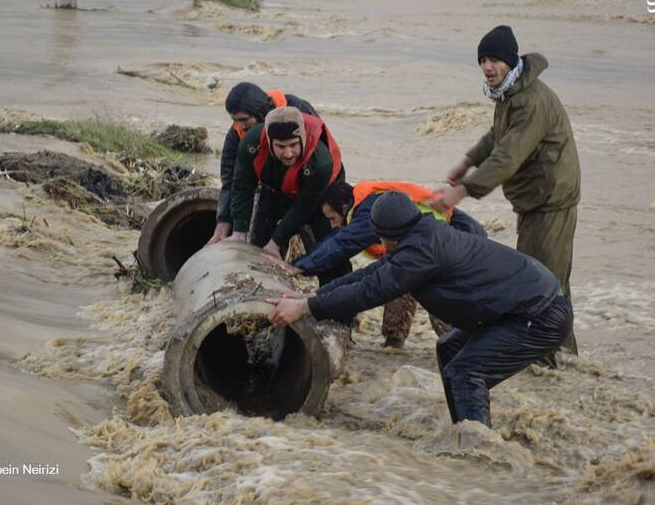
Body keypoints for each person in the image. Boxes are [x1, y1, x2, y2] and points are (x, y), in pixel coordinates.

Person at [267, 192, 573, 428]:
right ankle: (466, 428)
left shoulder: (421, 252)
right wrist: (312, 295)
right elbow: (369, 275)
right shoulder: (420, 236)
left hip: (539, 314)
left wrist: (306, 307)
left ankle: (478, 455)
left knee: (466, 372)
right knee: (449, 347)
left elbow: (370, 292)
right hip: (525, 305)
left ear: (386, 234)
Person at [432, 25, 581, 355]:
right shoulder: (511, 93)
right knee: (550, 283)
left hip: (551, 201)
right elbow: (496, 137)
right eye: (482, 60)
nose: (487, 67)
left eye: (495, 59)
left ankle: (550, 361)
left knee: (542, 287)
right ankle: (562, 360)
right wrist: (467, 161)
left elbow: (508, 156)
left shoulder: (530, 101)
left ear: (511, 60)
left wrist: (462, 191)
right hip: (536, 201)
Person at [288, 180, 487, 348]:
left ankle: (469, 349)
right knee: (397, 293)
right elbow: (373, 269)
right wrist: (316, 294)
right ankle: (393, 346)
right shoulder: (365, 207)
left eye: (332, 218)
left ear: (343, 208)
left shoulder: (371, 210)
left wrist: (301, 266)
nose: (333, 225)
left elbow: (342, 244)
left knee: (440, 307)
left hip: (458, 242)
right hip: (435, 246)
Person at [226, 106, 349, 285]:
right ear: (269, 143)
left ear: (302, 139)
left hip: (322, 193)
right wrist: (238, 229)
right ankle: (263, 290)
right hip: (277, 188)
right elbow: (242, 185)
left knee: (330, 254)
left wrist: (277, 241)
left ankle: (337, 305)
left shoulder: (320, 161)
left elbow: (303, 207)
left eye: (293, 145)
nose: (288, 153)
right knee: (261, 247)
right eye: (281, 147)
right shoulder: (252, 144)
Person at [208, 83, 318, 245]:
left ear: (260, 111)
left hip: (311, 183)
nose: (240, 126)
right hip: (273, 187)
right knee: (261, 241)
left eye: (244, 119)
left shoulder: (297, 110)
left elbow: (318, 152)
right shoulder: (237, 134)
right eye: (235, 120)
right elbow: (230, 179)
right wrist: (223, 222)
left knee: (322, 240)